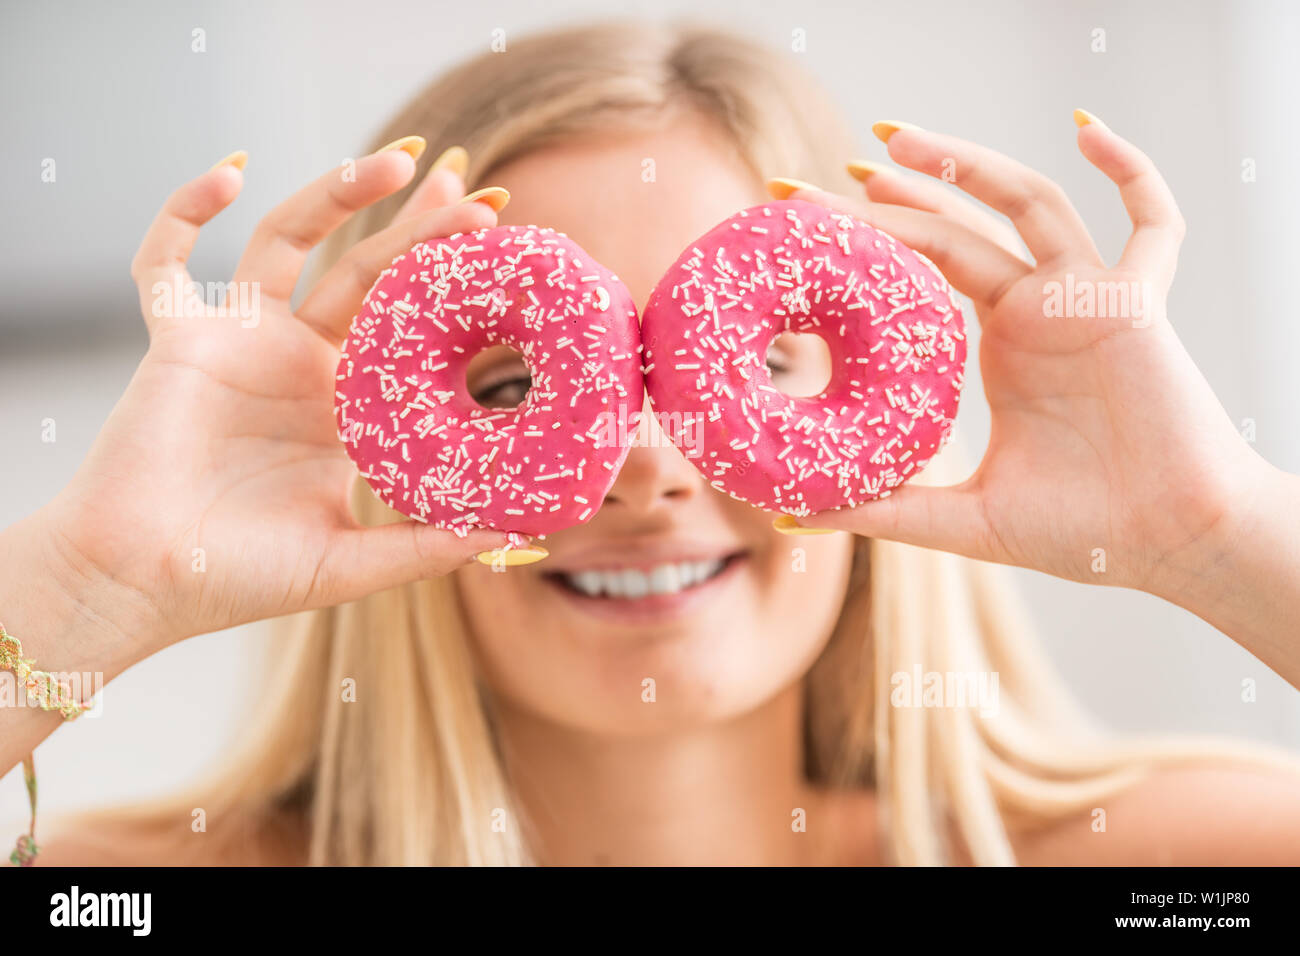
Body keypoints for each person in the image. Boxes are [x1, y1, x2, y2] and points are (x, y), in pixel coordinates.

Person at [5, 20, 1299, 866]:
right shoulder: (116, 889)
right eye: (516, 385)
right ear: (376, 439)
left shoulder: (1180, 865)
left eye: (752, 368)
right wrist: (89, 589)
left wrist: (1218, 532)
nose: (647, 463)